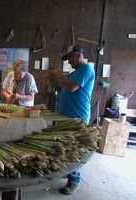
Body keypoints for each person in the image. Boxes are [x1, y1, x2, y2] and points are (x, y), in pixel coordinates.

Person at [47, 45, 95, 195]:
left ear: (78, 55)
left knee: (74, 150)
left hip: (77, 116)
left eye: (70, 58)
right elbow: (65, 89)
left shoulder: (87, 69)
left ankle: (74, 180)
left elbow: (73, 87)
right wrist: (54, 83)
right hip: (66, 115)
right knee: (65, 146)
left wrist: (57, 76)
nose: (69, 62)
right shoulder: (74, 73)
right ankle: (67, 173)